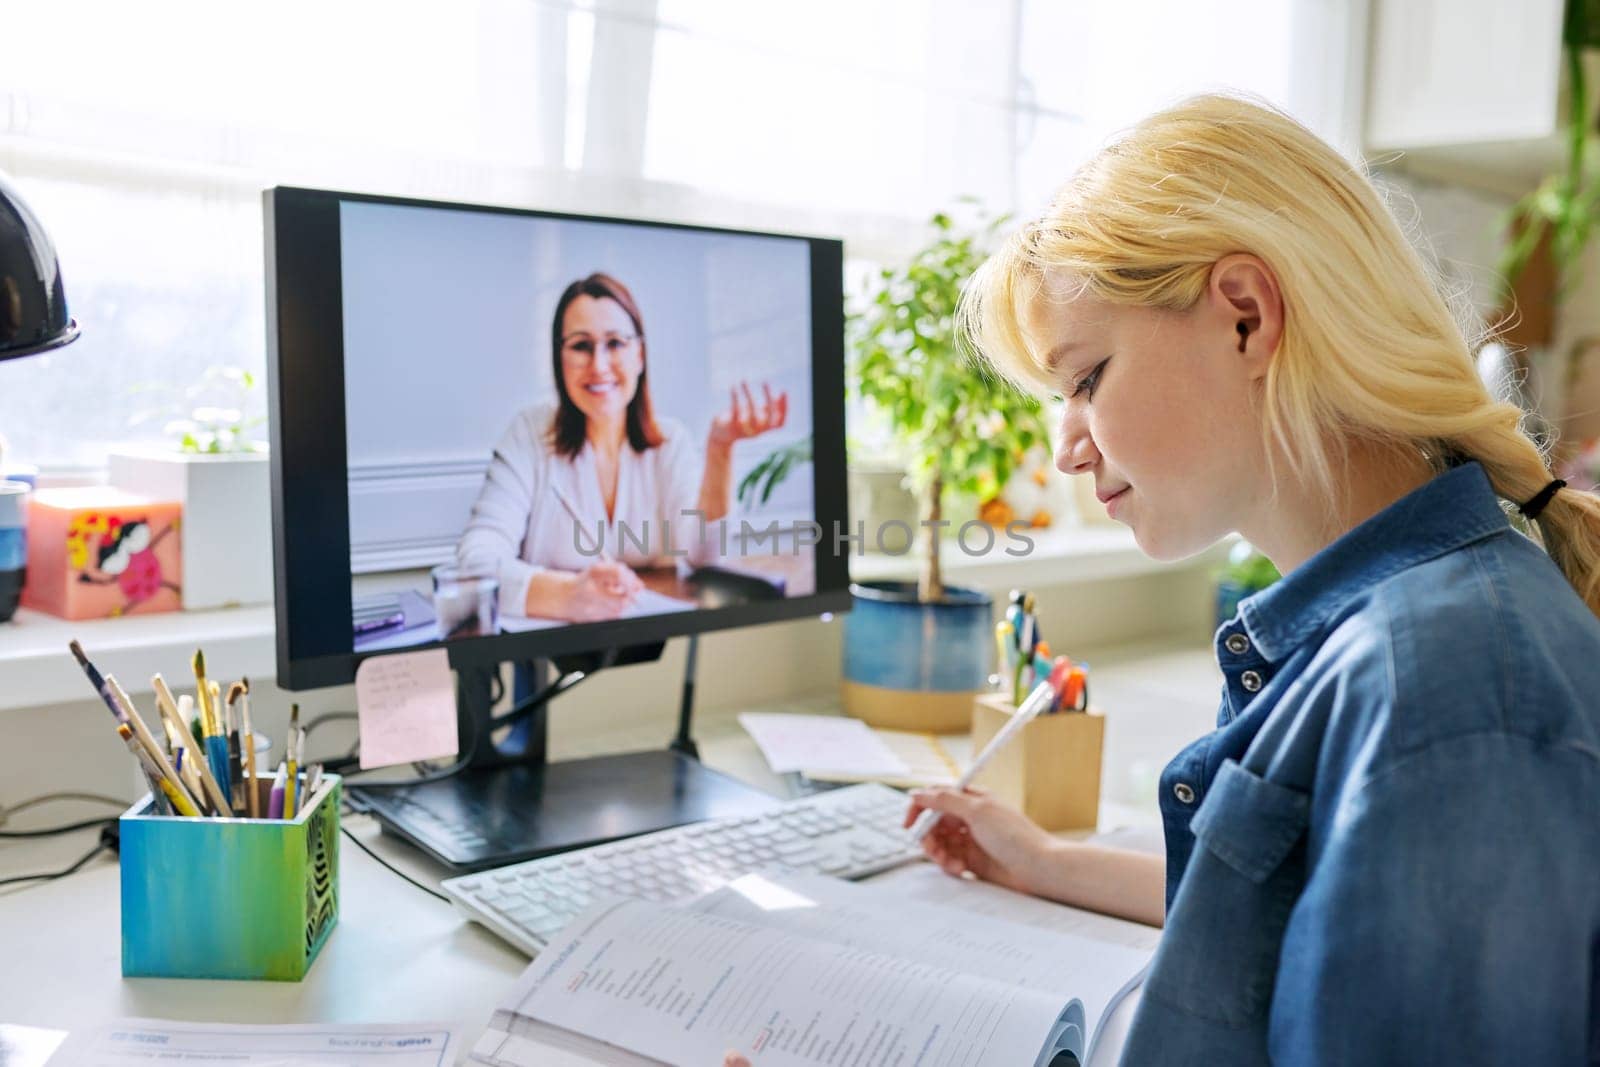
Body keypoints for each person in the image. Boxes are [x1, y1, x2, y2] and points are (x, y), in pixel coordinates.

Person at [728, 93, 1600, 1066]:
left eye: (1087, 378)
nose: (1064, 448)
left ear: (1245, 315)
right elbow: (1296, 904)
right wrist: (1048, 860)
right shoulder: (1386, 634)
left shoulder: (1449, 686)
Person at [457, 272, 787, 623]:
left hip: (651, 638)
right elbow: (475, 563)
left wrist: (720, 450)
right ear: (559, 359)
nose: (599, 365)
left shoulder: (670, 443)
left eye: (615, 343)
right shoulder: (528, 435)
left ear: (640, 355)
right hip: (548, 641)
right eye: (581, 346)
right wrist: (567, 595)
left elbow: (702, 557)